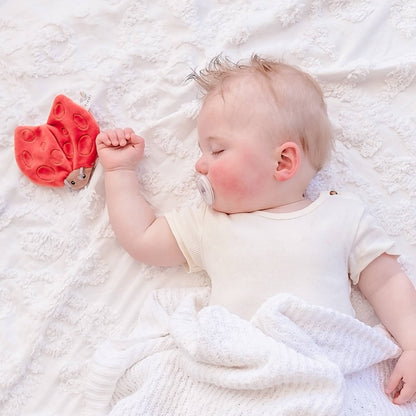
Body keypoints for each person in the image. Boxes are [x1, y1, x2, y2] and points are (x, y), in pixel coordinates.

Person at [96, 55, 416, 405]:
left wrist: (412, 345)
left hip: (321, 366)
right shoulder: (210, 223)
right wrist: (120, 173)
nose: (199, 164)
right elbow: (142, 237)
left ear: (283, 161)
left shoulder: (341, 216)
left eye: (216, 150)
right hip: (238, 377)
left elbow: (387, 282)